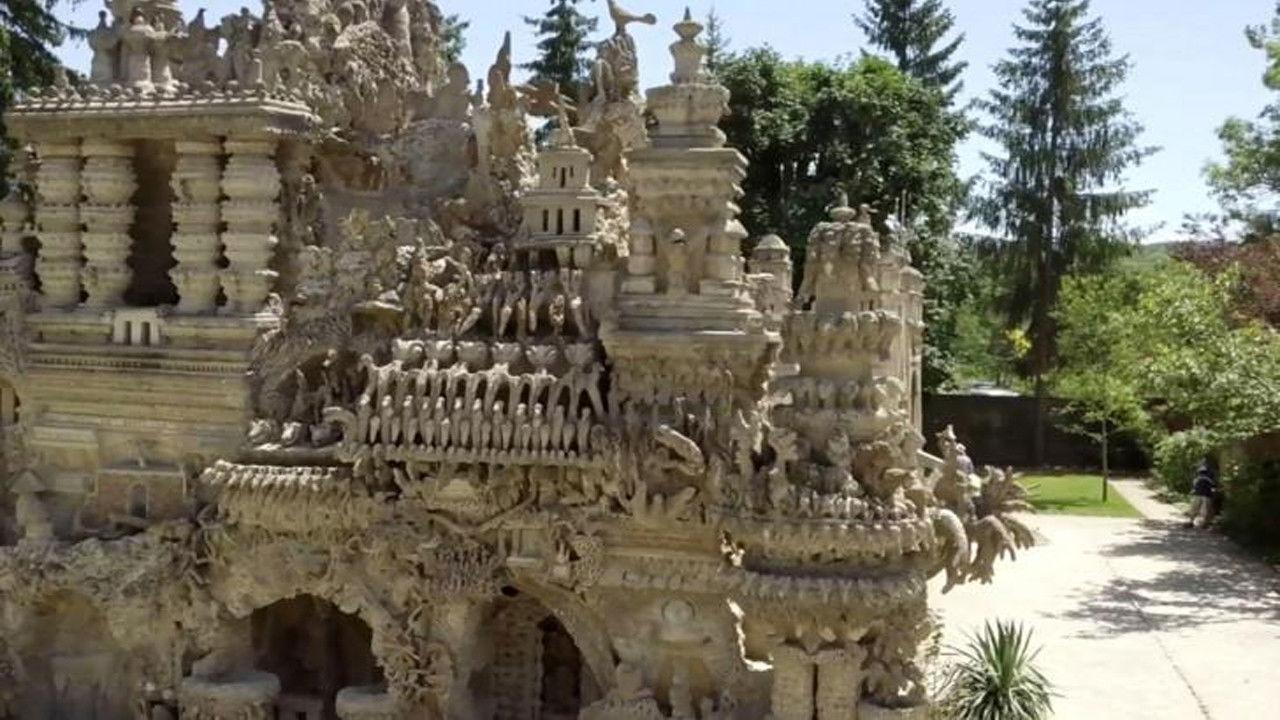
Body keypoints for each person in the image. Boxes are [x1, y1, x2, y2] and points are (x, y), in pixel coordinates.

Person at [1186, 460, 1218, 529]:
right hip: (1205, 495)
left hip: (1199, 495)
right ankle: (1204, 523)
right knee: (1204, 510)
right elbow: (1213, 488)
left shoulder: (1198, 479)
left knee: (1195, 509)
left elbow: (1194, 487)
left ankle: (1193, 522)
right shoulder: (1209, 480)